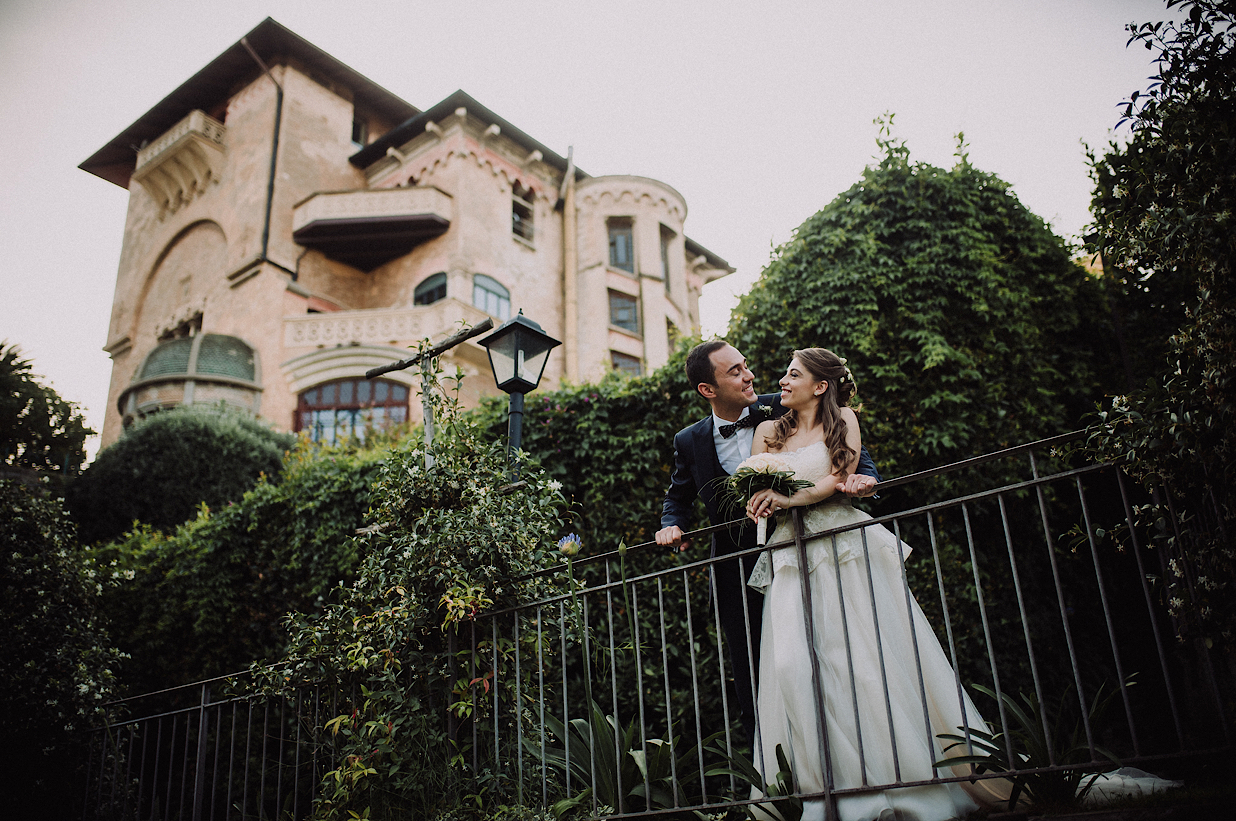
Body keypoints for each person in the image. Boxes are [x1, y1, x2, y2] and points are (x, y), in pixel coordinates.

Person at [741, 348, 1004, 821]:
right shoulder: (766, 431)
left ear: (820, 386)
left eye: (793, 374)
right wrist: (758, 500)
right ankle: (819, 791)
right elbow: (755, 486)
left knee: (860, 661)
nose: (782, 380)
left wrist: (786, 498)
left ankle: (885, 786)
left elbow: (837, 478)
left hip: (842, 547)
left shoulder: (843, 419)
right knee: (791, 666)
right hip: (788, 557)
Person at [655, 340, 881, 740]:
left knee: (828, 650)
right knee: (753, 667)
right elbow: (678, 496)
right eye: (736, 371)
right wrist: (671, 525)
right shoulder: (688, 441)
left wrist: (866, 477)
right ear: (707, 389)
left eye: (745, 365)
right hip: (735, 568)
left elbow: (841, 446)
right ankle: (769, 757)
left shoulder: (785, 403)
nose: (750, 376)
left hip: (799, 550)